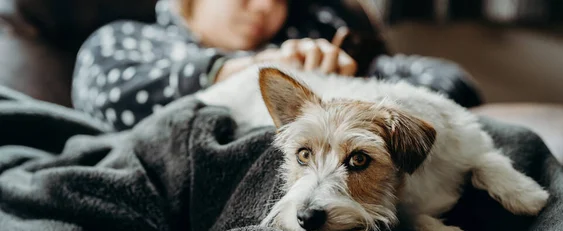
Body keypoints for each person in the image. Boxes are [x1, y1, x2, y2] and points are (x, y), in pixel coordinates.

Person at [71, 0, 483, 131]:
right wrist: (255, 70)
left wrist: (350, 80)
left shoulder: (305, 40)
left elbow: (449, 81)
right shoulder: (125, 41)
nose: (267, 7)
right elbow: (107, 97)